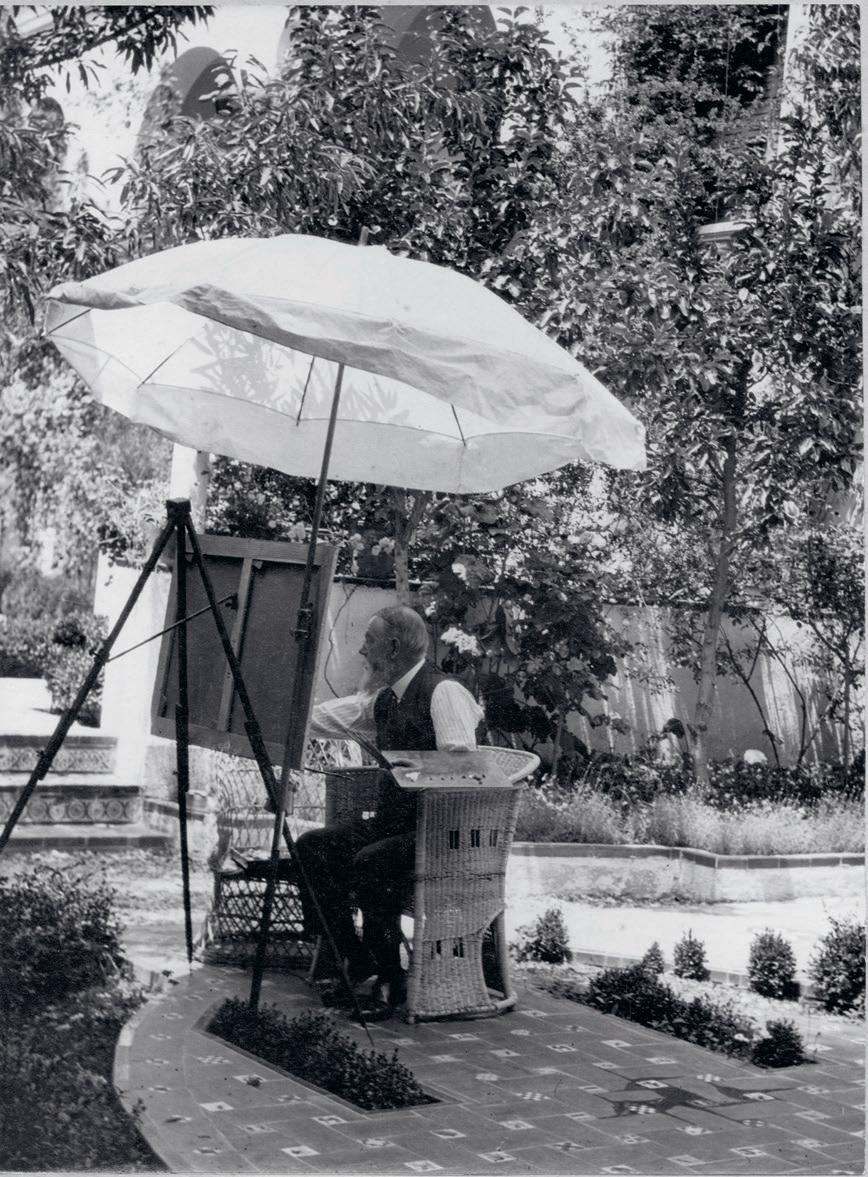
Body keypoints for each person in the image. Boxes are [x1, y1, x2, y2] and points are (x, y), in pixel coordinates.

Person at [295, 604, 485, 1009]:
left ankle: (391, 979)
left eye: (369, 641)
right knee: (313, 846)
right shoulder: (385, 699)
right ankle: (355, 956)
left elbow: (467, 770)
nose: (362, 650)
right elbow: (327, 719)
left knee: (371, 861)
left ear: (394, 647)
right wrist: (281, 717)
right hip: (394, 827)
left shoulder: (444, 692)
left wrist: (417, 769)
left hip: (440, 835)